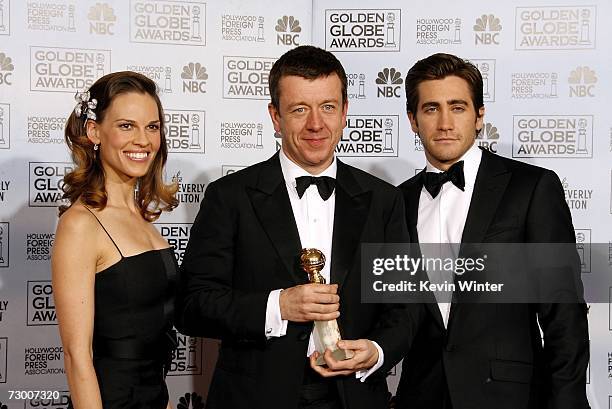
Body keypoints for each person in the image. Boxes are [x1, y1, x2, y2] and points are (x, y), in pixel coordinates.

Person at [177, 45, 415, 409]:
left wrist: (376, 350)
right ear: (275, 117)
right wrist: (279, 306)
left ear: (345, 111)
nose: (316, 124)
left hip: (355, 396)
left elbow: (404, 307)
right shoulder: (230, 196)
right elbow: (192, 306)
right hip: (254, 398)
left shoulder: (383, 201)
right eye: (299, 109)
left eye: (328, 107)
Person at [395, 53, 590, 409]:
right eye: (430, 108)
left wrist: (568, 402)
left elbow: (564, 313)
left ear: (479, 115)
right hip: (422, 395)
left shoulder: (531, 188)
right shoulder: (396, 202)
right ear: (412, 120)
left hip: (509, 395)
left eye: (457, 107)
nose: (444, 123)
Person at [52, 71, 179, 409]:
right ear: (94, 131)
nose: (143, 140)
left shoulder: (141, 216)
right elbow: (77, 356)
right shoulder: (80, 224)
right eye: (126, 126)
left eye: (152, 127)